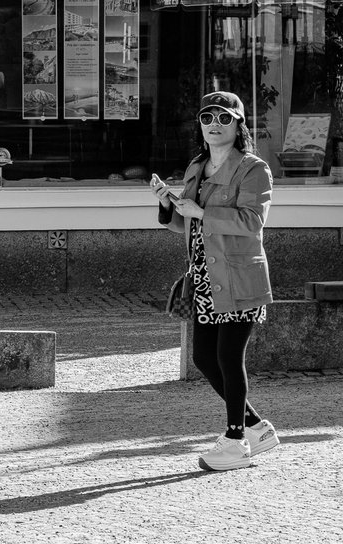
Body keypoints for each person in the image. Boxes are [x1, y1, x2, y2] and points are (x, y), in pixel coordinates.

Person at [149, 90, 280, 471]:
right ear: (200, 125)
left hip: (240, 276)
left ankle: (237, 440)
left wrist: (201, 212)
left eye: (224, 118)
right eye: (207, 117)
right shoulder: (197, 166)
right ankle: (258, 427)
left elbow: (252, 222)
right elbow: (185, 224)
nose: (214, 124)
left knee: (228, 356)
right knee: (204, 357)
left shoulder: (254, 168)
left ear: (239, 124)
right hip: (204, 277)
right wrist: (166, 203)